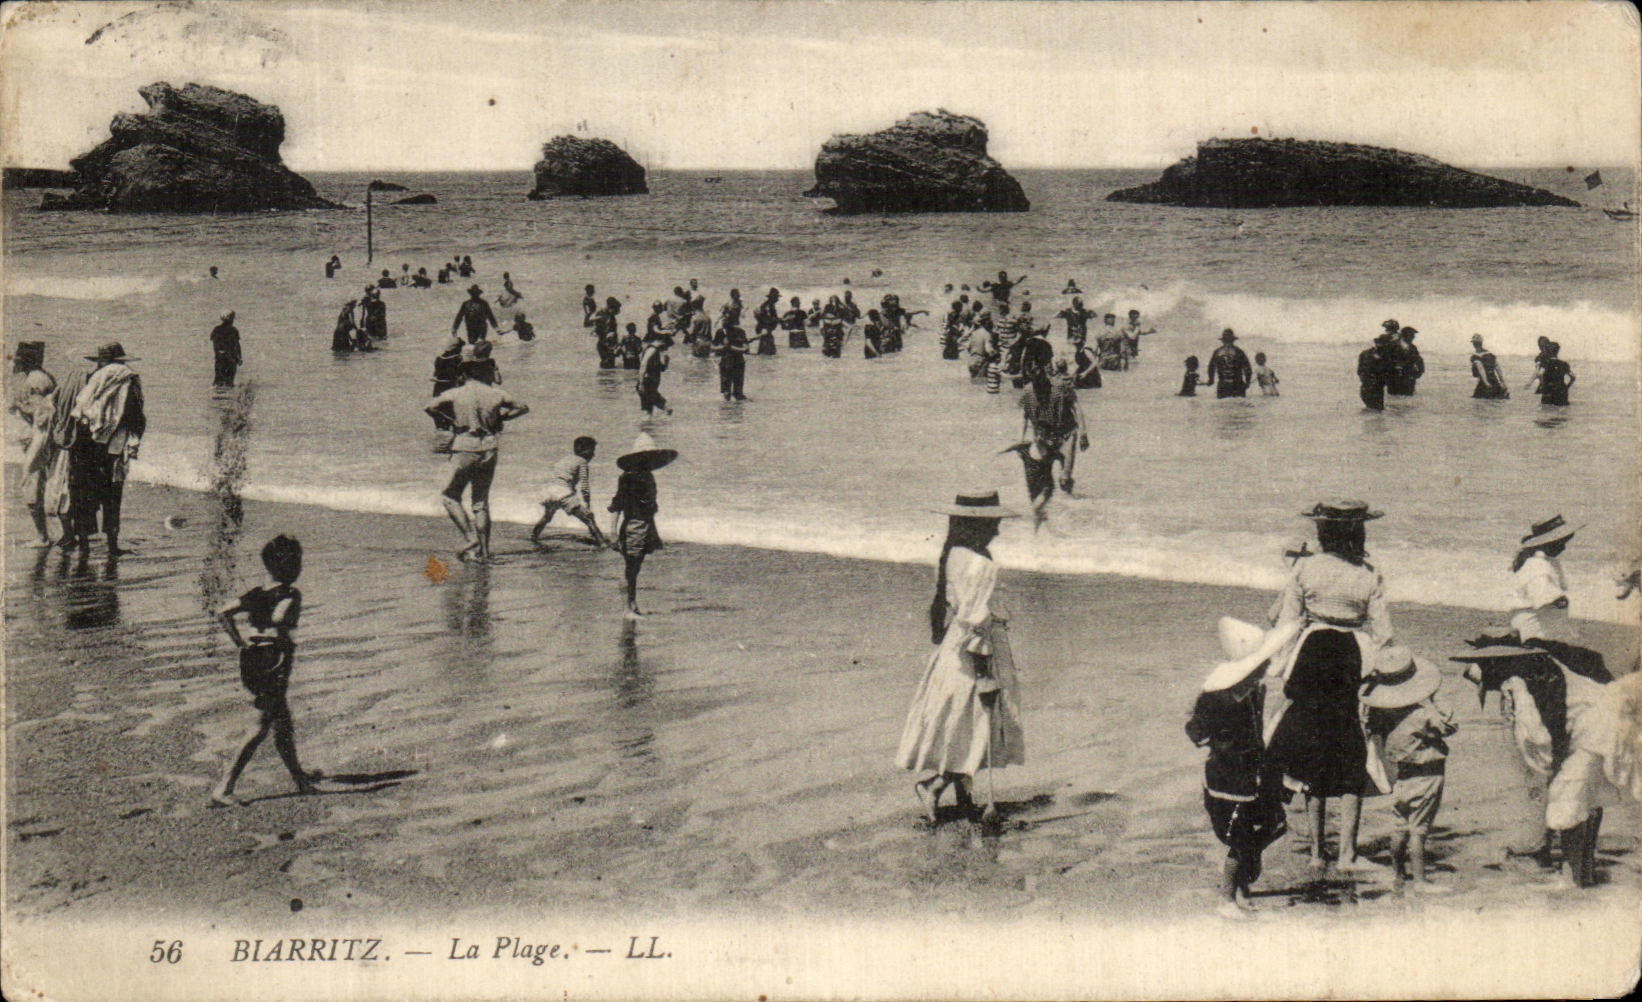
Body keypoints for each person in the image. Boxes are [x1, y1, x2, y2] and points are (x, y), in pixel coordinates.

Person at [1264, 499, 1394, 874]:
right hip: (1351, 655)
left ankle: (1318, 852)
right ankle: (1348, 853)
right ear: (1358, 531)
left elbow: (1289, 623)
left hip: (1311, 654)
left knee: (1313, 754)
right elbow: (1383, 633)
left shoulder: (1305, 567)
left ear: (1322, 531)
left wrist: (1281, 668)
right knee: (1354, 751)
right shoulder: (1369, 573)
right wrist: (1382, 675)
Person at [1454, 640, 1636, 890]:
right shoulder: (1546, 658)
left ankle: (1571, 879)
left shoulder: (1520, 683)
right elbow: (1594, 670)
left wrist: (1554, 765)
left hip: (1593, 730)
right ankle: (1585, 871)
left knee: (1566, 800)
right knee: (1589, 798)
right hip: (1613, 719)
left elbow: (1539, 736)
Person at [897, 490, 1025, 825]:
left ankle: (965, 797)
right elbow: (976, 619)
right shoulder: (981, 563)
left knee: (960, 724)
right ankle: (933, 786)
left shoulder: (953, 553)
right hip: (974, 651)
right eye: (992, 522)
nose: (997, 528)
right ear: (976, 525)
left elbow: (960, 610)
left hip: (955, 647)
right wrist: (984, 672)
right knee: (978, 725)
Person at [1188, 618, 1291, 918]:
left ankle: (1242, 886)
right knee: (1241, 839)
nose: (1266, 667)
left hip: (1249, 774)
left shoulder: (1252, 692)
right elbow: (1196, 729)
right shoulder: (1220, 698)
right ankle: (1227, 899)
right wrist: (1216, 739)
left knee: (1274, 825)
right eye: (1261, 663)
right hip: (1230, 780)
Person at [211, 535, 320, 806]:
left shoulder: (257, 593)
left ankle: (300, 779)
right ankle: (224, 787)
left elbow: (223, 612)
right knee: (260, 727)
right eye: (297, 562)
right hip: (274, 663)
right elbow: (280, 619)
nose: (300, 567)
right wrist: (280, 632)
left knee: (282, 723)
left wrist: (239, 643)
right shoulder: (290, 594)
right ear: (289, 566)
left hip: (252, 661)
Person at [1360, 646, 1455, 894]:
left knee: (1400, 826)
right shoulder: (1420, 715)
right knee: (1419, 828)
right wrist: (1431, 704)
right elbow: (1448, 726)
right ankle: (1421, 881)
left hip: (1401, 775)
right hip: (1428, 773)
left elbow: (1371, 729)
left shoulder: (1381, 713)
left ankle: (1398, 874)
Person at [424, 357, 528, 562]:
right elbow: (523, 407)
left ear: (463, 375)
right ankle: (484, 552)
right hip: (489, 446)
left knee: (450, 496)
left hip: (464, 445)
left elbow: (430, 407)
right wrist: (503, 418)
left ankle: (470, 538)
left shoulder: (455, 393)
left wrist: (451, 421)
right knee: (480, 502)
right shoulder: (496, 393)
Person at [68, 342, 147, 556]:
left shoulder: (91, 380)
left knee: (84, 492)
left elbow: (77, 410)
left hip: (86, 445)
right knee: (112, 495)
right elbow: (136, 416)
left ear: (102, 361)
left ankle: (84, 545)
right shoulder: (129, 380)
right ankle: (112, 546)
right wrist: (134, 439)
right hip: (113, 447)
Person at [608, 433, 677, 617]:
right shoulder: (628, 478)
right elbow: (617, 506)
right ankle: (626, 609)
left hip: (646, 525)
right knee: (630, 568)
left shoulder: (648, 477)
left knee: (636, 568)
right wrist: (613, 533)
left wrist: (655, 532)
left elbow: (651, 509)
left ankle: (633, 604)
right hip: (633, 525)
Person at [1015, 359, 1087, 517]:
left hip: (1066, 435)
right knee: (1042, 481)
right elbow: (1024, 416)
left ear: (1045, 372)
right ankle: (1047, 513)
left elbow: (1076, 406)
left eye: (1039, 373)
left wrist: (1083, 433)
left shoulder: (1061, 386)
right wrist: (1020, 440)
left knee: (1064, 480)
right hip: (1043, 438)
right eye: (1032, 375)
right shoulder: (1028, 391)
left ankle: (1072, 510)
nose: (1037, 378)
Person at [10, 341, 57, 547]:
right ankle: (51, 535)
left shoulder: (36, 379)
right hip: (38, 439)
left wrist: (21, 408)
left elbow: (41, 415)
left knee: (32, 486)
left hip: (38, 440)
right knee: (44, 485)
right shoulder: (38, 377)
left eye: (19, 360)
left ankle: (42, 536)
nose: (15, 364)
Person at [531, 436, 608, 548]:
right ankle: (602, 543)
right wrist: (587, 502)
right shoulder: (582, 462)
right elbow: (584, 485)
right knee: (588, 518)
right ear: (584, 450)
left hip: (550, 491)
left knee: (547, 517)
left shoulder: (565, 459)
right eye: (592, 450)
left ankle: (534, 536)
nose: (593, 455)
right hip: (563, 492)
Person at [428, 338, 465, 429]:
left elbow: (435, 375)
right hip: (451, 388)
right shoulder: (458, 358)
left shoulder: (439, 358)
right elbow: (460, 377)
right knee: (455, 418)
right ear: (456, 348)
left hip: (438, 388)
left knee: (441, 417)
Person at [1204, 329, 1252, 398]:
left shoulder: (1217, 352)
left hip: (1223, 385)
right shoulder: (1239, 351)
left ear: (1222, 340)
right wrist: (1247, 382)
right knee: (1239, 407)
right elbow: (1247, 369)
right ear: (1233, 340)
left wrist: (1211, 380)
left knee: (1222, 407)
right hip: (1237, 385)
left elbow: (1211, 368)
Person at [1526, 340, 1575, 406]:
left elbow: (1540, 374)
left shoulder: (1546, 363)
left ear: (1548, 351)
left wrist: (1543, 385)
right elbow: (1573, 377)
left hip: (1549, 392)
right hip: (1562, 392)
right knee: (1563, 412)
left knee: (1547, 412)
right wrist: (1566, 387)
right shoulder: (1564, 364)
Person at [637, 330, 672, 416]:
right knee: (666, 408)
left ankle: (649, 427)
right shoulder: (652, 350)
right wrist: (641, 383)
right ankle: (660, 425)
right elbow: (643, 365)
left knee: (649, 411)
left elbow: (661, 369)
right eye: (666, 346)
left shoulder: (655, 352)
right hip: (647, 383)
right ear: (662, 342)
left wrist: (666, 362)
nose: (666, 349)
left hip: (650, 384)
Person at [1358, 331, 1392, 411]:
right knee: (1376, 411)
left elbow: (1360, 371)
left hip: (1369, 387)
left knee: (1372, 410)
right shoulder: (1384, 356)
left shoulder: (1365, 353)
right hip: (1373, 388)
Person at [717, 318, 750, 400]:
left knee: (737, 393)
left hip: (737, 362)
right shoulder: (720, 332)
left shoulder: (740, 332)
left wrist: (731, 348)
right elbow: (713, 346)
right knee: (726, 392)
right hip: (726, 362)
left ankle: (735, 410)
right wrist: (723, 347)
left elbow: (746, 348)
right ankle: (729, 410)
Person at [1468, 334, 1509, 399]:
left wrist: (1486, 382)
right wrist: (1502, 382)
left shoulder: (1475, 357)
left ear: (1474, 344)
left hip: (1483, 383)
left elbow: (1480, 368)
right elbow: (1497, 368)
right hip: (1495, 381)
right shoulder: (1490, 355)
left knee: (1480, 403)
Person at [1386, 326, 1424, 396]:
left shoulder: (1413, 348)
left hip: (1409, 379)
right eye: (1412, 335)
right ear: (1404, 335)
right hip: (1394, 379)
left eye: (1413, 335)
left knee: (1408, 400)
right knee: (1394, 400)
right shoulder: (1393, 346)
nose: (1413, 337)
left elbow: (1419, 360)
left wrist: (1419, 373)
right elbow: (1386, 361)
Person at [209, 311, 242, 389]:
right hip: (231, 359)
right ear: (230, 319)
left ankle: (218, 397)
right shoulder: (234, 330)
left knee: (217, 382)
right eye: (232, 318)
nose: (233, 320)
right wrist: (239, 358)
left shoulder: (216, 329)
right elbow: (237, 345)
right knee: (229, 383)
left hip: (220, 358)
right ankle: (228, 398)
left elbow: (215, 345)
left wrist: (218, 355)